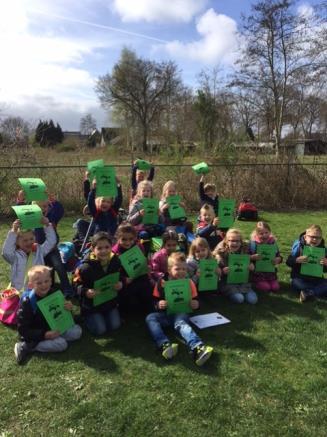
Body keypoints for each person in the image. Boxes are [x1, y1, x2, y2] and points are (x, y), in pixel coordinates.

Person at [145, 252, 213, 366]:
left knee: (180, 323)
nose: (181, 272)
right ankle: (164, 345)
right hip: (165, 314)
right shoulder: (161, 283)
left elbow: (196, 299)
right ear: (169, 269)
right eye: (178, 269)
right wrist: (158, 304)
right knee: (150, 318)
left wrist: (196, 304)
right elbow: (154, 301)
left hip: (181, 313)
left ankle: (198, 347)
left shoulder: (189, 282)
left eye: (184, 269)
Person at [14, 265, 82, 364]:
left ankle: (55, 338)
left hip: (55, 326)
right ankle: (27, 346)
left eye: (46, 281)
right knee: (62, 344)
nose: (44, 285)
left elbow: (64, 315)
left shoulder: (55, 293)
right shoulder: (27, 302)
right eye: (39, 283)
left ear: (51, 281)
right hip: (39, 332)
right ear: (31, 285)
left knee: (77, 332)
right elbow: (23, 330)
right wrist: (44, 335)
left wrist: (68, 309)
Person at [73, 232, 123, 335]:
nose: (104, 251)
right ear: (92, 248)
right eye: (99, 248)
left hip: (109, 301)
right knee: (100, 330)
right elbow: (75, 285)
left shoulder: (116, 261)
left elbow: (120, 276)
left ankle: (104, 316)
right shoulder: (85, 267)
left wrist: (121, 283)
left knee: (115, 326)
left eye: (107, 247)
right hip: (92, 306)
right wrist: (86, 291)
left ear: (111, 247)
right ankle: (86, 317)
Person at [32, 198, 74, 298]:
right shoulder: (32, 219)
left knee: (58, 266)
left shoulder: (52, 216)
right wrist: (20, 201)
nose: (42, 209)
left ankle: (67, 289)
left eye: (45, 206)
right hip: (38, 250)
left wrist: (54, 200)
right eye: (39, 207)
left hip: (52, 248)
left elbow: (60, 210)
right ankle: (46, 289)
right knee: (44, 270)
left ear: (49, 207)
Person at [2, 217, 57, 292]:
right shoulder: (15, 256)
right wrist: (14, 231)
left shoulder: (39, 251)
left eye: (31, 239)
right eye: (25, 240)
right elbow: (6, 252)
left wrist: (47, 225)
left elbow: (51, 242)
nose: (29, 242)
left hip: (37, 290)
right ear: (17, 242)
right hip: (19, 291)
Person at [112, 223, 154, 314]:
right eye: (124, 239)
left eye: (131, 239)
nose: (128, 242)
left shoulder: (139, 246)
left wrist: (148, 267)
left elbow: (144, 260)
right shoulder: (114, 252)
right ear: (117, 238)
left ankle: (149, 307)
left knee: (147, 291)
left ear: (135, 237)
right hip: (126, 282)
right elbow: (113, 272)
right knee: (132, 306)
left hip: (140, 276)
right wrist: (124, 279)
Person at [213, 229, 257, 304]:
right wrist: (222, 271)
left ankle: (246, 290)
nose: (235, 243)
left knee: (253, 300)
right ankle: (230, 293)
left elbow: (250, 270)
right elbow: (216, 273)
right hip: (227, 283)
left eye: (237, 241)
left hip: (243, 282)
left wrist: (252, 268)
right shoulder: (220, 254)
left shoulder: (245, 251)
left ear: (241, 242)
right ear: (227, 241)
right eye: (232, 241)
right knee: (239, 299)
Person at [286, 224, 327, 302]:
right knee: (296, 283)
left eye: (318, 237)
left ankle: (309, 293)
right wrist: (296, 260)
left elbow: (325, 270)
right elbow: (288, 262)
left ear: (321, 239)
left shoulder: (324, 250)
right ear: (305, 237)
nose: (315, 239)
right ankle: (316, 291)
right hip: (300, 278)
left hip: (316, 279)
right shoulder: (299, 247)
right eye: (312, 237)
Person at [127, 180, 163, 249]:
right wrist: (139, 214)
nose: (146, 193)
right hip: (141, 229)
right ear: (139, 192)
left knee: (162, 228)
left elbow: (161, 221)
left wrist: (160, 215)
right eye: (143, 191)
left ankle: (158, 250)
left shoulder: (154, 203)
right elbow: (130, 221)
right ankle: (145, 253)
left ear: (151, 193)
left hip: (153, 226)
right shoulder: (136, 204)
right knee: (144, 235)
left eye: (148, 191)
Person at [249, 221, 282, 293]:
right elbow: (246, 257)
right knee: (266, 288)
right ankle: (254, 283)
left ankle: (270, 281)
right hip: (257, 273)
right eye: (261, 234)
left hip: (270, 272)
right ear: (256, 234)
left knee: (275, 288)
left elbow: (278, 255)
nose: (264, 235)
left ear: (270, 232)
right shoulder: (253, 244)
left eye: (266, 233)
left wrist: (278, 259)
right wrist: (252, 257)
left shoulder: (273, 243)